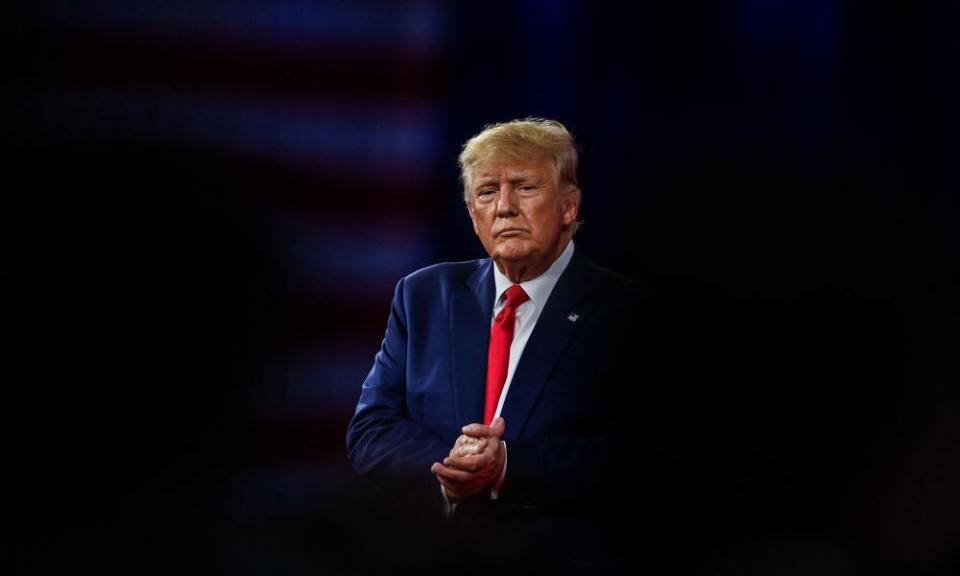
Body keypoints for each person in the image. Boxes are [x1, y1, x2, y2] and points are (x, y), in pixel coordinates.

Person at [346, 118, 640, 569]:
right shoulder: (423, 294)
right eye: (487, 192)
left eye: (524, 187)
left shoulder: (623, 309)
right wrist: (451, 466)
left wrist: (506, 464)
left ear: (568, 206)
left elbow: (637, 455)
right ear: (472, 215)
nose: (504, 207)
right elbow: (371, 431)